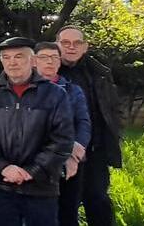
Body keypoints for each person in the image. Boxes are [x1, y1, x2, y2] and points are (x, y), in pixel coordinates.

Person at [0, 37, 74, 226]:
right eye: (6, 57)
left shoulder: (55, 95)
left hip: (42, 186)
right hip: (2, 184)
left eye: (19, 56)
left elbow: (63, 139)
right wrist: (3, 166)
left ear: (33, 61)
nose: (12, 62)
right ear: (1, 61)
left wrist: (32, 171)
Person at [56, 25, 122, 226]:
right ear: (57, 45)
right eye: (65, 43)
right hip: (61, 152)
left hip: (95, 150)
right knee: (66, 206)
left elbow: (111, 108)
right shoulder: (47, 72)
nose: (71, 47)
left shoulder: (99, 72)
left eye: (77, 43)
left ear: (85, 47)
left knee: (98, 200)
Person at [32, 42, 92, 226]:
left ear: (59, 62)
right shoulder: (23, 89)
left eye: (54, 57)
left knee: (68, 212)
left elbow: (83, 121)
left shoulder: (73, 90)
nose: (49, 62)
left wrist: (77, 149)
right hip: (35, 162)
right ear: (34, 61)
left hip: (69, 161)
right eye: (44, 57)